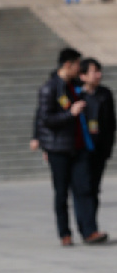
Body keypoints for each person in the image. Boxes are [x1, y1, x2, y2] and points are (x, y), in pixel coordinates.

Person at [37, 47, 108, 246]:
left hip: (79, 147)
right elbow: (45, 119)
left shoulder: (75, 87)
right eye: (78, 64)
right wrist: (70, 114)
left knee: (84, 189)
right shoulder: (50, 88)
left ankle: (89, 231)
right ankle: (65, 233)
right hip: (58, 149)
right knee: (61, 193)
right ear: (68, 64)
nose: (80, 68)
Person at [79, 57, 116, 219]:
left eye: (99, 71)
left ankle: (90, 225)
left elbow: (111, 123)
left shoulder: (105, 94)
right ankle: (87, 226)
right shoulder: (76, 95)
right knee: (84, 187)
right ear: (83, 76)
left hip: (99, 148)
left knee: (94, 187)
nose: (98, 75)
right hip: (80, 148)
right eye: (95, 72)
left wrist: (108, 147)